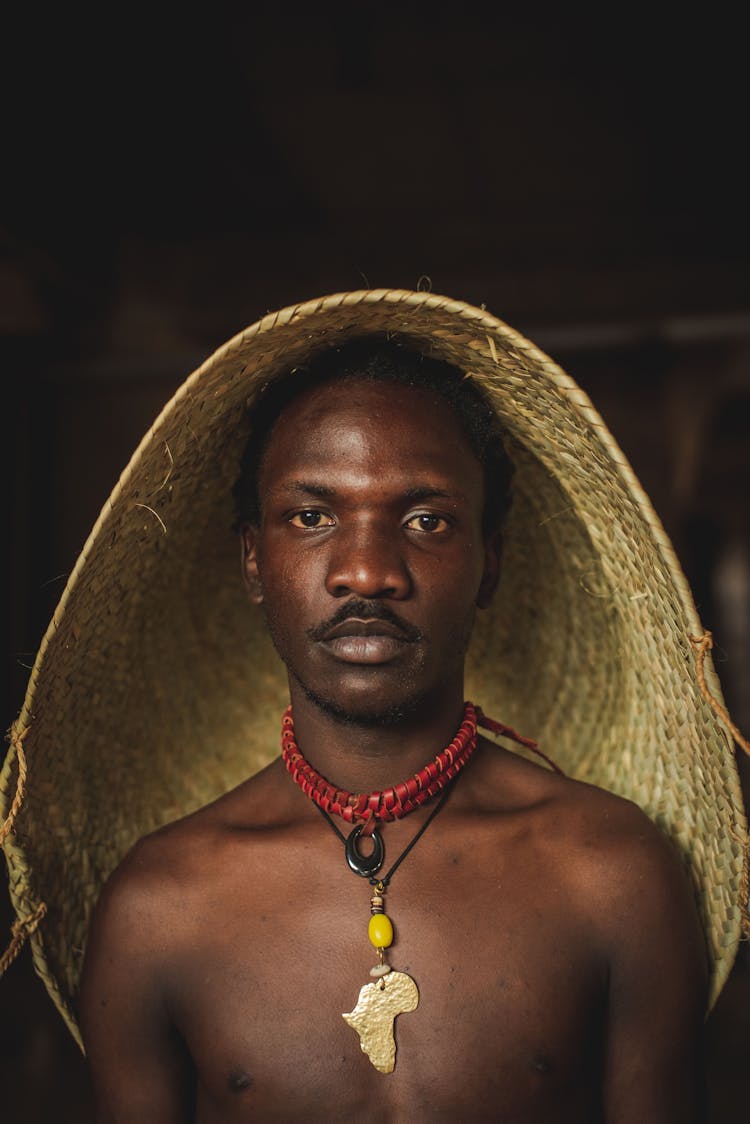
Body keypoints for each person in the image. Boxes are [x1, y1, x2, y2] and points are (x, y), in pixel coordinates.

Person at [76, 335, 710, 1122]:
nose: (367, 572)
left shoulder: (614, 875)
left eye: (426, 520)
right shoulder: (157, 906)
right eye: (311, 516)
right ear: (251, 561)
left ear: (491, 561)